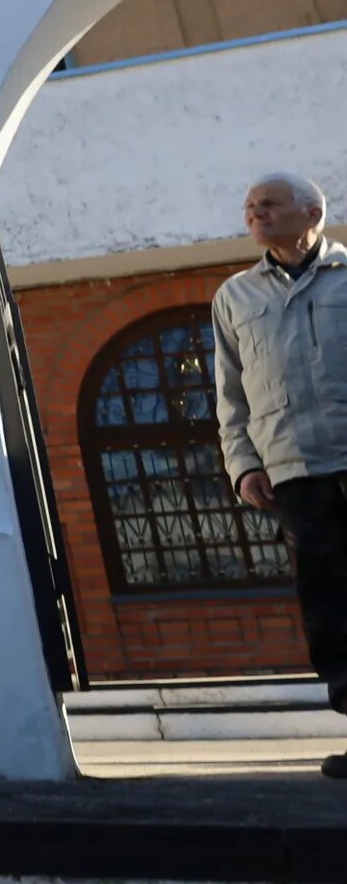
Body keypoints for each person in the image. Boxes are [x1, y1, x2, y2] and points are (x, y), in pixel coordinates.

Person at [214, 172, 347, 779]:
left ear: (312, 211)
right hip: (295, 475)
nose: (256, 215)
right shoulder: (235, 297)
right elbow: (230, 396)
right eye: (249, 208)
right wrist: (243, 465)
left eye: (268, 204)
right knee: (330, 610)